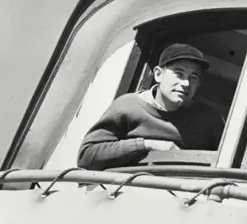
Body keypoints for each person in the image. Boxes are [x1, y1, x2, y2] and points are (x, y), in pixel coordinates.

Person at [78, 43, 223, 170]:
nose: (186, 83)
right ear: (158, 74)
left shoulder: (209, 119)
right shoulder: (127, 106)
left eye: (194, 77)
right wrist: (147, 144)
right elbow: (87, 156)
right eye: (179, 74)